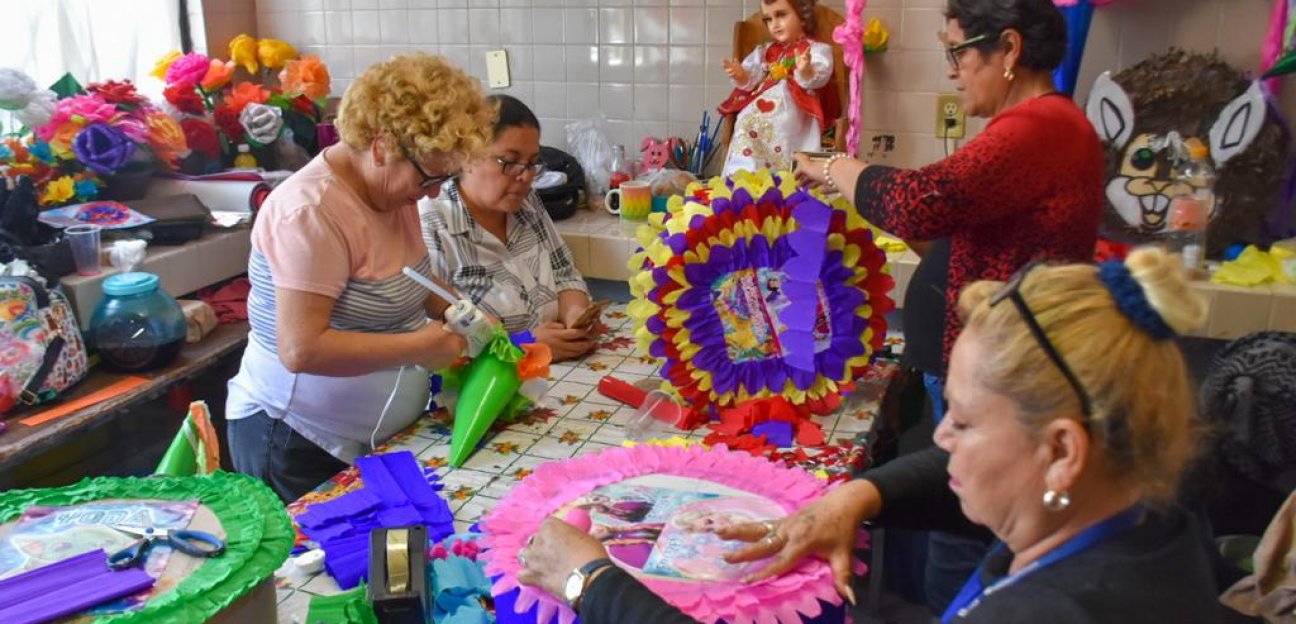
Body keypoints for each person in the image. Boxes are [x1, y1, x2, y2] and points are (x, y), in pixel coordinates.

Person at [518, 248, 1225, 623]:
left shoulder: (1049, 614)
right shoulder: (1147, 513)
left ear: (1064, 450)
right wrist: (855, 496)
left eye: (967, 420)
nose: (940, 434)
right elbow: (964, 487)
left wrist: (593, 581)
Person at [796, 0, 1105, 607]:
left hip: (1001, 381)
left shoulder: (1041, 125)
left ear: (1009, 48)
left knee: (965, 533)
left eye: (959, 51)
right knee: (954, 522)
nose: (953, 70)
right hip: (979, 370)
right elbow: (950, 228)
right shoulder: (1038, 126)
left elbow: (924, 201)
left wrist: (838, 167)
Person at [226, 54, 495, 503]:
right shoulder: (310, 213)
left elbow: (416, 278)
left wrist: (462, 312)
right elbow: (302, 348)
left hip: (363, 439)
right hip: (295, 442)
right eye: (430, 177)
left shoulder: (393, 193)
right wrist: (423, 348)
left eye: (445, 179)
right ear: (383, 145)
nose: (432, 193)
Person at [419, 95, 600, 362]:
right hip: (487, 384)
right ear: (466, 156)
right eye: (509, 161)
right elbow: (434, 337)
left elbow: (563, 272)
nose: (525, 176)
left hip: (557, 372)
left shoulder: (527, 202)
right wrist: (524, 345)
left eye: (532, 163)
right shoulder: (433, 220)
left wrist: (576, 318)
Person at [718, 0, 837, 176]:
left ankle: (777, 177)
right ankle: (743, 177)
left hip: (794, 106)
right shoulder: (766, 51)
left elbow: (819, 78)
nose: (774, 24)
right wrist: (742, 75)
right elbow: (752, 78)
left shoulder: (816, 50)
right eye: (768, 19)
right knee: (745, 121)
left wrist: (806, 71)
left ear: (803, 17)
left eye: (781, 15)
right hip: (761, 104)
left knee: (780, 123)